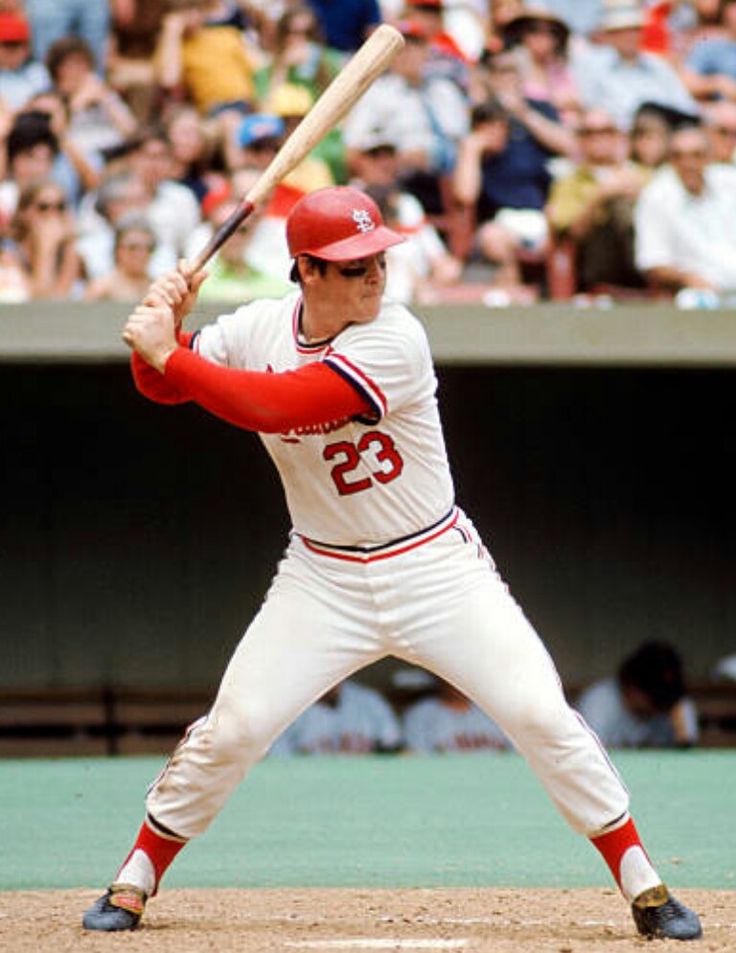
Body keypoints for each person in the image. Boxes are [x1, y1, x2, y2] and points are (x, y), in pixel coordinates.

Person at [82, 185, 702, 943]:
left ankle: (643, 880)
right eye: (353, 265)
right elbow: (162, 385)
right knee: (235, 727)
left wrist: (167, 349)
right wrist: (167, 329)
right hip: (321, 574)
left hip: (435, 565)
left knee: (541, 712)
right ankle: (137, 874)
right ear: (306, 271)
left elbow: (276, 407)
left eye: (378, 258)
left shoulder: (395, 336)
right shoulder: (255, 328)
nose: (376, 275)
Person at [546, 107, 649, 291]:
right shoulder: (569, 182)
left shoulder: (641, 175)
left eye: (605, 131)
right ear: (580, 139)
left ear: (617, 136)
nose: (597, 138)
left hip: (646, 252)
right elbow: (572, 234)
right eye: (589, 132)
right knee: (617, 205)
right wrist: (600, 197)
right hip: (597, 262)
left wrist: (639, 195)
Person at [634, 122, 736, 293]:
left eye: (697, 155)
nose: (688, 163)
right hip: (699, 293)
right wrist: (688, 279)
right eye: (679, 156)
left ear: (709, 157)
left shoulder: (729, 182)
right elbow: (652, 262)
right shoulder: (655, 196)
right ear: (669, 159)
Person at [573, 0, 699, 129]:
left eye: (634, 30)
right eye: (621, 31)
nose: (629, 36)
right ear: (608, 35)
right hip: (616, 137)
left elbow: (687, 106)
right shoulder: (591, 65)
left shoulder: (658, 65)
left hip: (664, 133)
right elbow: (589, 108)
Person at [576, 641, 699, 748]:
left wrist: (684, 732)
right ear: (632, 686)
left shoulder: (675, 707)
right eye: (654, 698)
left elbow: (687, 750)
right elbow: (586, 761)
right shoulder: (598, 705)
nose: (660, 707)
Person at [270, 678, 403, 754]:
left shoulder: (369, 701)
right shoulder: (287, 708)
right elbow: (280, 761)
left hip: (366, 784)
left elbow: (394, 746)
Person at [403, 677, 509, 752]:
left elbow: (518, 756)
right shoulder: (420, 714)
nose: (455, 683)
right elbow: (418, 758)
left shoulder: (495, 710)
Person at [83, 215, 157, 301]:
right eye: (133, 248)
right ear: (118, 250)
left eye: (148, 248)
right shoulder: (102, 288)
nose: (141, 254)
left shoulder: (159, 289)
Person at [0, 10, 50, 113]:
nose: (11, 51)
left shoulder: (37, 72)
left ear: (26, 47)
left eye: (16, 45)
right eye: (6, 45)